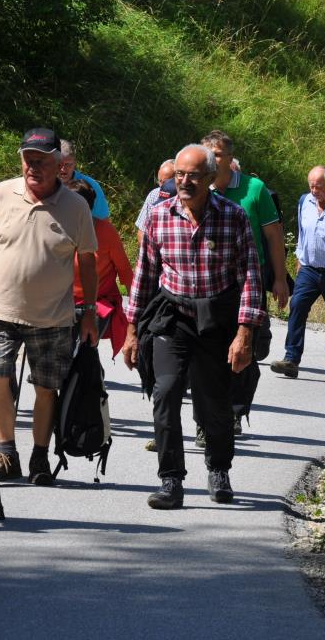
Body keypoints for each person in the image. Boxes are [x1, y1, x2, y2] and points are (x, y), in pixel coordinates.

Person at [121, 144, 264, 509]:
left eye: (193, 176)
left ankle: (218, 469)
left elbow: (249, 276)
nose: (184, 182)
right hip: (174, 317)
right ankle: (170, 480)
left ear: (211, 178)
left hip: (216, 319)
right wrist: (132, 330)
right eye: (180, 175)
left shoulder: (233, 217)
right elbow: (144, 275)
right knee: (165, 391)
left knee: (214, 402)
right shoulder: (159, 216)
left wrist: (244, 332)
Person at [0, 128, 99, 486]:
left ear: (59, 164)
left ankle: (39, 454)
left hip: (52, 317)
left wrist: (89, 311)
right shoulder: (1, 193)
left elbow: (88, 261)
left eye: (41, 161)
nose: (33, 167)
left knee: (45, 388)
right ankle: (7, 454)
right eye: (28, 160)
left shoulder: (75, 207)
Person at [202, 131, 289, 433]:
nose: (213, 159)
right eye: (208, 154)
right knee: (209, 348)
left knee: (245, 345)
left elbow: (274, 236)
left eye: (218, 154)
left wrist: (280, 278)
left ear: (230, 158)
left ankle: (235, 412)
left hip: (249, 278)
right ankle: (208, 416)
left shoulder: (254, 189)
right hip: (209, 280)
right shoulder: (199, 188)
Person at [269, 166, 325, 382]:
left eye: (318, 187)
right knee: (297, 306)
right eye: (311, 186)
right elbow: (303, 233)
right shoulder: (304, 202)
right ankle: (291, 359)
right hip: (309, 270)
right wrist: (300, 260)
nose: (314, 191)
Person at [68, 180, 133, 356]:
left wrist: (136, 313)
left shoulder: (106, 231)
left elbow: (125, 270)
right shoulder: (59, 229)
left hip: (100, 302)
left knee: (84, 349)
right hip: (65, 301)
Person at [58, 138, 110, 220]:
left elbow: (103, 221)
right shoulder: (43, 183)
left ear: (75, 163)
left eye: (68, 164)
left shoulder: (90, 186)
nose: (63, 169)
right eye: (59, 164)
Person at [135, 159, 176, 248]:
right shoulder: (154, 194)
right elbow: (142, 231)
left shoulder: (186, 198)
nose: (161, 186)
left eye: (166, 182)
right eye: (160, 181)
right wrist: (149, 252)